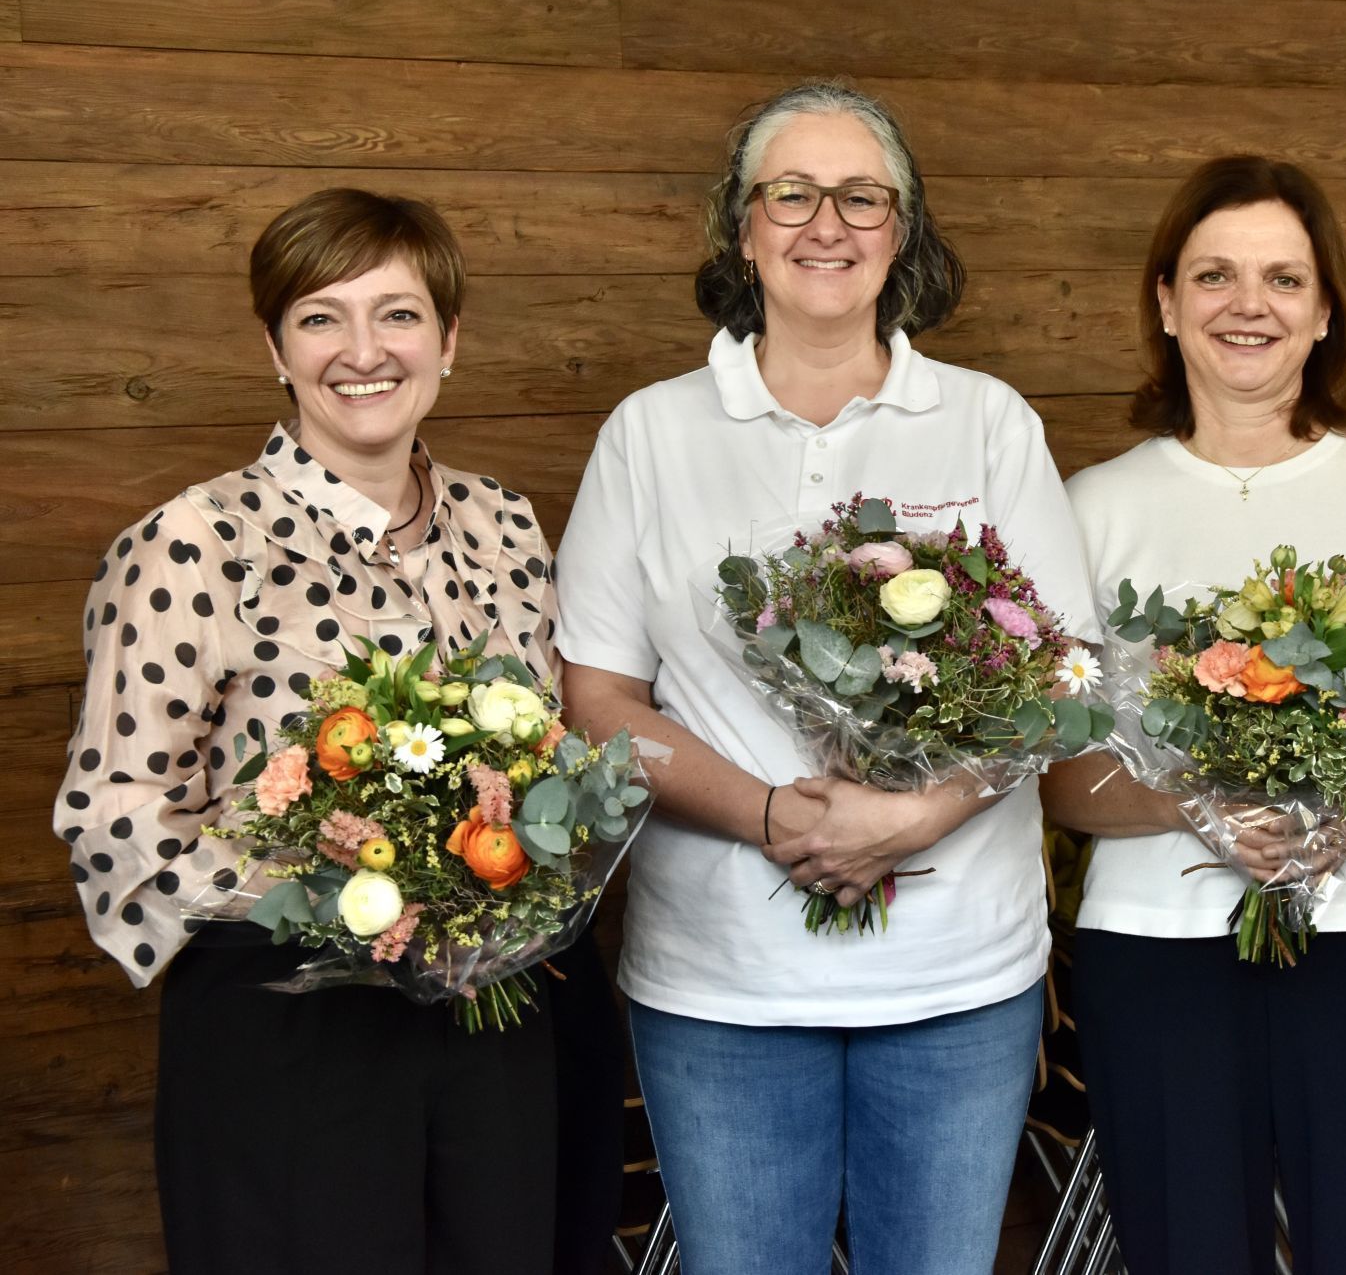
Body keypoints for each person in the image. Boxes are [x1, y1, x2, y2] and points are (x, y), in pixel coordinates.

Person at [552, 80, 1097, 1275]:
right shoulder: (649, 433)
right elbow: (598, 702)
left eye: (861, 198)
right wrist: (768, 816)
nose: (826, 225)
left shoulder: (987, 421)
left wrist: (913, 817)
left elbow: (1065, 676)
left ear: (902, 232)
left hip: (957, 973)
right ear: (740, 228)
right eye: (790, 194)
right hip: (720, 982)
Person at [53, 188, 622, 1274]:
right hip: (293, 1030)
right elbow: (114, 817)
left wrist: (512, 884)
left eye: (398, 314)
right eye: (321, 317)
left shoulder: (504, 520)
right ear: (275, 348)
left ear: (448, 341)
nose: (363, 351)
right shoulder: (193, 541)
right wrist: (350, 901)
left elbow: (555, 752)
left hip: (500, 1014)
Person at [1040, 156, 1346, 1275]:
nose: (1246, 305)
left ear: (1323, 313)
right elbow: (1059, 776)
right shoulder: (1093, 506)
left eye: (1283, 278)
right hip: (1159, 953)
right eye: (1213, 275)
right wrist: (1192, 806)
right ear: (1167, 304)